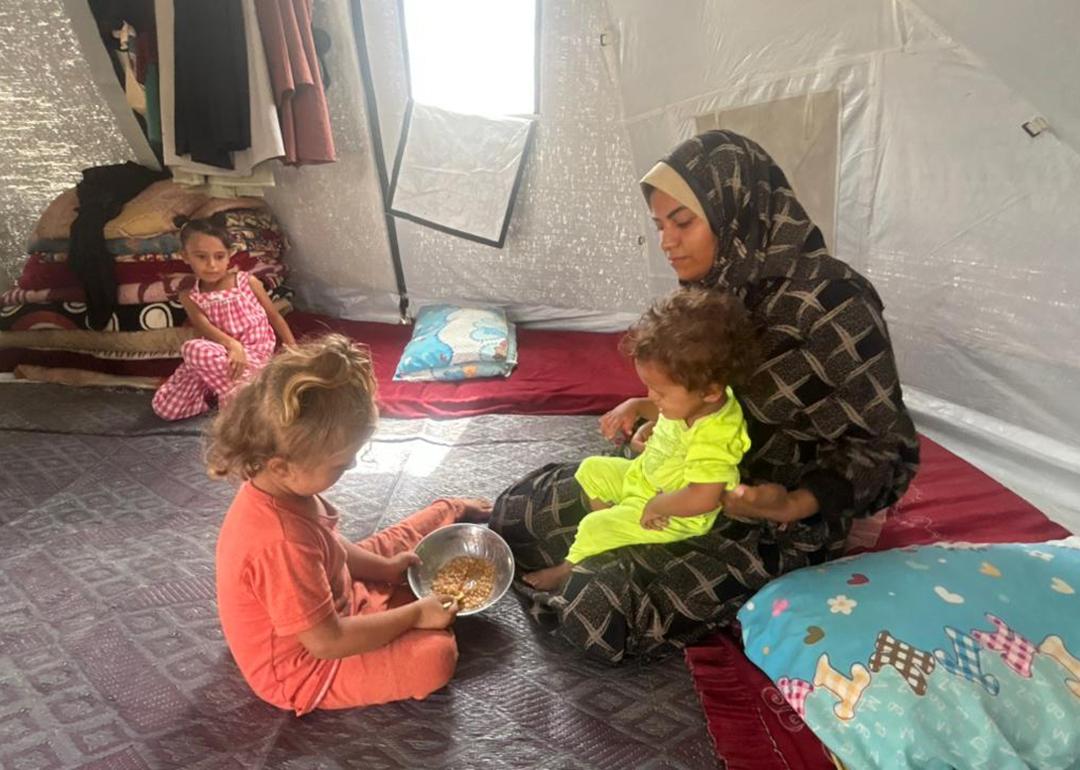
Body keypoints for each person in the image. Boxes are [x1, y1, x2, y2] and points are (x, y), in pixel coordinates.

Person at [492, 130, 919, 663]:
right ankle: (593, 545)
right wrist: (660, 415)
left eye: (683, 222)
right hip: (682, 471)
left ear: (735, 210)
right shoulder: (709, 288)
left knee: (597, 606)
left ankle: (608, 568)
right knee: (520, 512)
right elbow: (693, 388)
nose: (667, 241)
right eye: (660, 226)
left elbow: (887, 453)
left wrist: (793, 502)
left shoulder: (831, 303)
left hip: (770, 514)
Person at [210, 334, 491, 713]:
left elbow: (332, 544)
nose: (353, 467)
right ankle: (408, 606)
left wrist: (386, 569)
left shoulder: (283, 487)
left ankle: (448, 511)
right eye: (342, 464)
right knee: (435, 657)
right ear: (282, 466)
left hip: (333, 593)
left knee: (399, 553)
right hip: (306, 666)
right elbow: (327, 642)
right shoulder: (280, 542)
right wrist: (414, 615)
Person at [523, 289, 757, 590]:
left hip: (677, 509)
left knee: (595, 525)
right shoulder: (696, 399)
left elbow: (704, 496)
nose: (652, 396)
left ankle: (570, 566)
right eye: (648, 388)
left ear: (711, 391)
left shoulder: (717, 433)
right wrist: (636, 407)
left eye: (659, 393)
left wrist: (659, 506)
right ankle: (618, 531)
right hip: (644, 477)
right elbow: (668, 416)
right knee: (591, 468)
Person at [152, 214, 295, 421]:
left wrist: (293, 350)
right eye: (201, 257)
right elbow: (204, 328)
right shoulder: (189, 296)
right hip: (219, 356)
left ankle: (241, 404)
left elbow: (274, 317)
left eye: (219, 257)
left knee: (193, 350)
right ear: (185, 256)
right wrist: (232, 346)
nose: (211, 265)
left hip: (253, 356)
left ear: (230, 255)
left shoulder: (247, 282)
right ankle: (242, 392)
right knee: (166, 406)